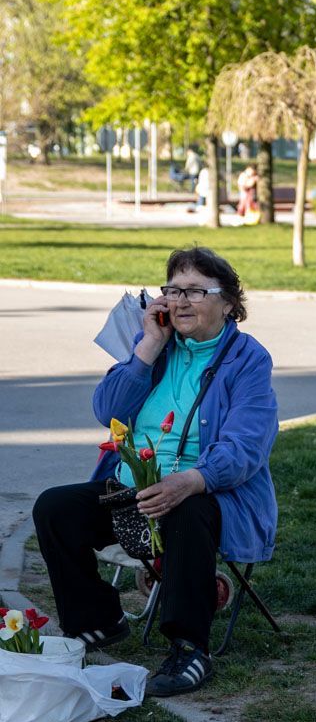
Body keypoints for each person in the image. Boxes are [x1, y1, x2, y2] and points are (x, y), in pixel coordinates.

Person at [33, 247, 279, 698]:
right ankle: (96, 623)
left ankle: (190, 649)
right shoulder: (156, 348)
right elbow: (107, 410)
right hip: (134, 493)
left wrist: (188, 480)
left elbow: (247, 447)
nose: (181, 301)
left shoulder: (247, 360)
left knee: (188, 510)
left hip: (209, 494)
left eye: (196, 291)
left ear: (228, 303)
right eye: (173, 290)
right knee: (55, 507)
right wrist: (146, 348)